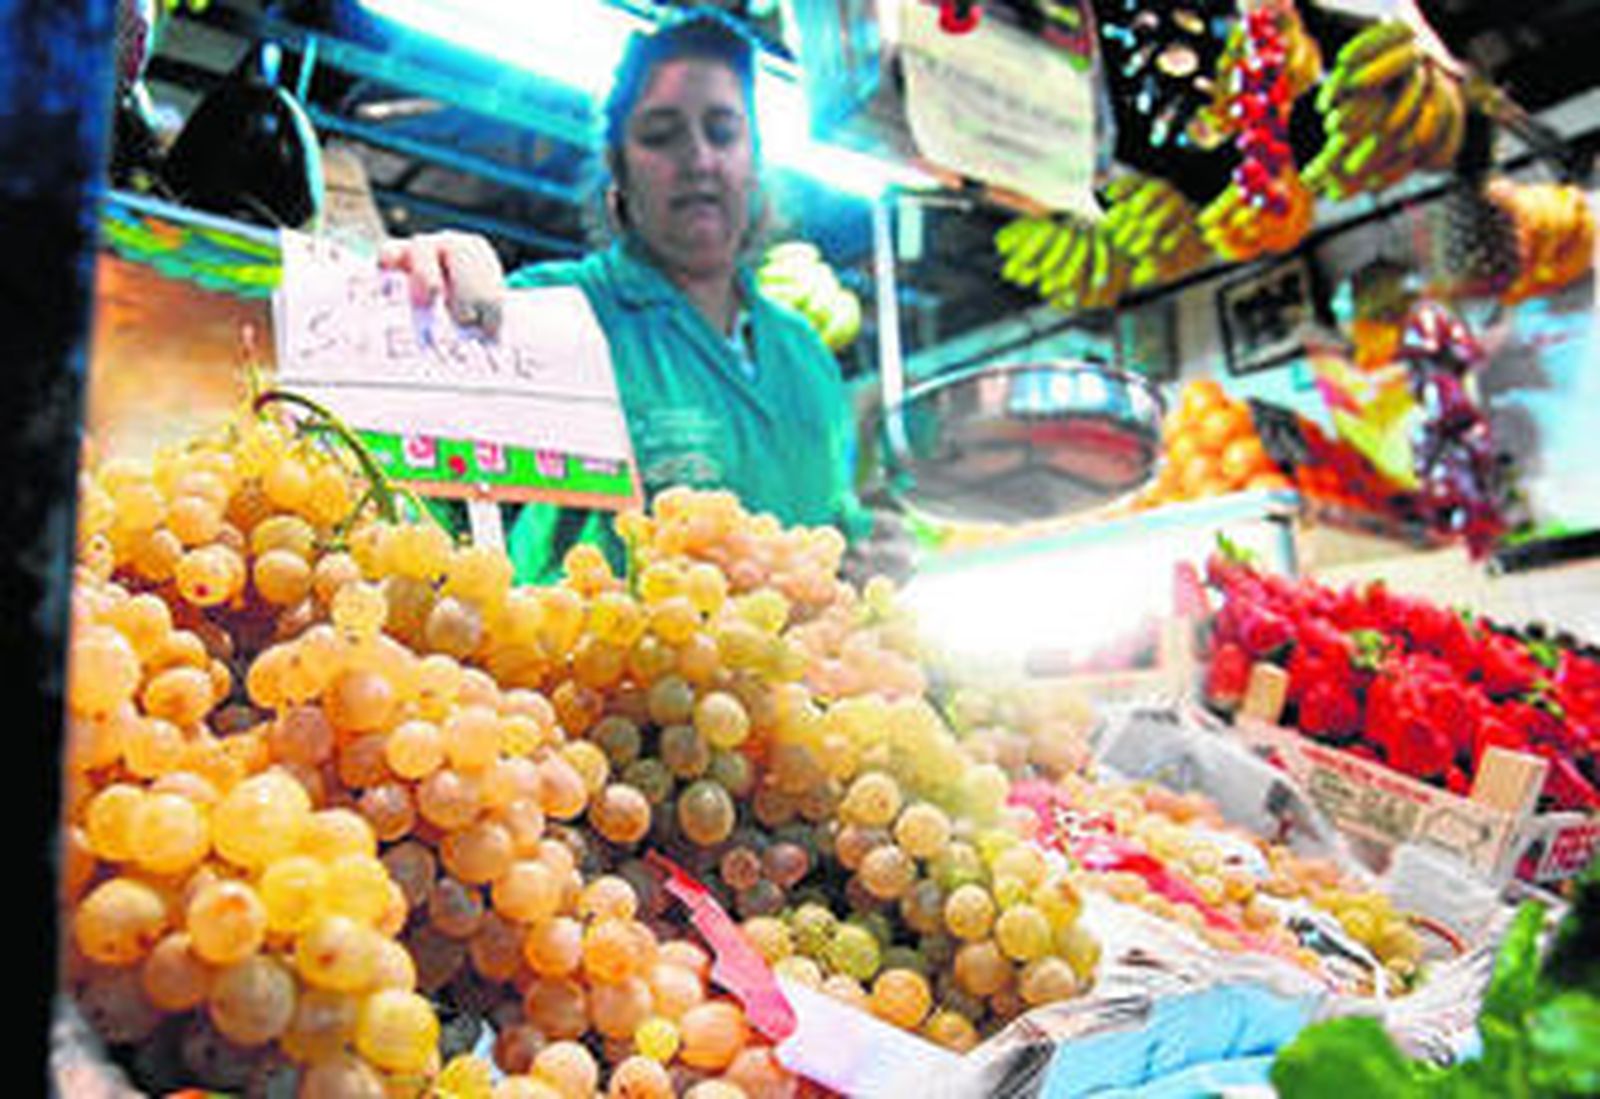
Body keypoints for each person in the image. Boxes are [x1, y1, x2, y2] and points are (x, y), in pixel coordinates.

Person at [379, 9, 911, 585]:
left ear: (755, 162)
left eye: (723, 131)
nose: (699, 159)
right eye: (661, 135)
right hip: (597, 674)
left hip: (799, 676)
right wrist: (428, 292)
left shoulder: (805, 355)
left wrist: (869, 556)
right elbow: (417, 487)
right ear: (620, 177)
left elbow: (831, 526)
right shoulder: (552, 311)